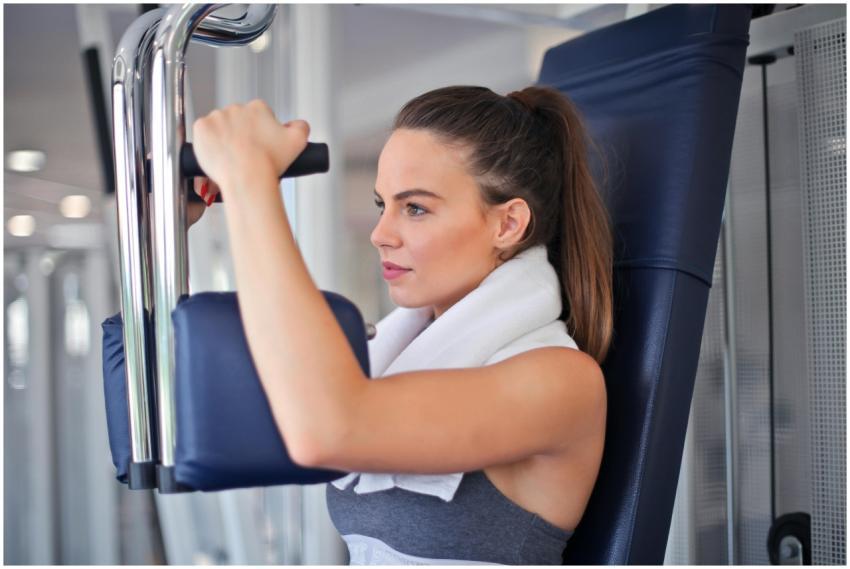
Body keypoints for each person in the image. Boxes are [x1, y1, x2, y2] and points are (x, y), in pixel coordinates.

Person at [189, 85, 613, 565]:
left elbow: (328, 430)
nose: (380, 234)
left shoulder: (561, 382)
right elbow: (235, 405)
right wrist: (172, 225)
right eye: (382, 205)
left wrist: (251, 183)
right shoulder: (391, 361)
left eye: (415, 208)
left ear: (508, 224)